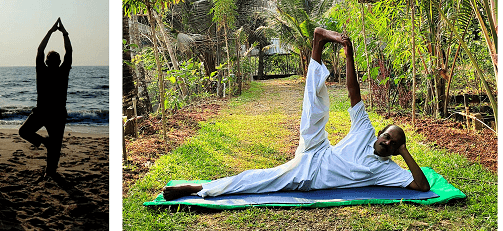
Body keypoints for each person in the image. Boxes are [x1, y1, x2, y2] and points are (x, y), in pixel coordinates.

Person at [160, 28, 430, 201]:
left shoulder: (388, 171)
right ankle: (319, 41)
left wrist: (404, 152)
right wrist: (350, 55)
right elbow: (352, 91)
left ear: (396, 150)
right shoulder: (365, 132)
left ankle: (197, 188)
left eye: (393, 143)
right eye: (386, 136)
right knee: (313, 110)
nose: (386, 141)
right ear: (380, 133)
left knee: (261, 179)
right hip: (319, 149)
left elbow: (422, 187)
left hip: (310, 172)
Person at [20, 18, 72, 176]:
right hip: (54, 113)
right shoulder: (63, 71)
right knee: (55, 145)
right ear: (59, 61)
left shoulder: (42, 70)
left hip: (44, 112)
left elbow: (39, 50)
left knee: (24, 132)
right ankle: (50, 171)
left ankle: (46, 152)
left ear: (47, 61)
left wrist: (50, 32)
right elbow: (69, 51)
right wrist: (64, 33)